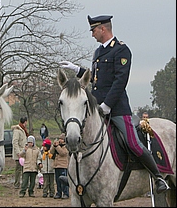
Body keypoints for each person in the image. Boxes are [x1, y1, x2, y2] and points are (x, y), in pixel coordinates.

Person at [59, 14, 169, 195]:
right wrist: (76, 69)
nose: (92, 34)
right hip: (96, 109)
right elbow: (95, 78)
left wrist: (108, 105)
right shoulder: (98, 52)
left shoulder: (121, 50)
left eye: (94, 30)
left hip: (117, 109)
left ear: (103, 28)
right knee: (78, 136)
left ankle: (157, 176)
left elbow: (120, 81)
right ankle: (73, 176)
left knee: (132, 142)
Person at [50, 133, 70, 199]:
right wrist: (54, 146)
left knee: (64, 181)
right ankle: (59, 192)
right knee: (57, 181)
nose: (60, 140)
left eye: (61, 139)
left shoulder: (66, 147)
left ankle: (66, 193)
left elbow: (62, 153)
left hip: (63, 166)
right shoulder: (57, 146)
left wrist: (57, 147)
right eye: (59, 139)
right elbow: (51, 152)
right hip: (56, 165)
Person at [11, 116, 29, 189]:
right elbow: (15, 142)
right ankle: (17, 184)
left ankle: (24, 183)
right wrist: (18, 153)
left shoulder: (23, 130)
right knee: (18, 170)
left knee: (24, 169)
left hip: (24, 152)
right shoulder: (17, 131)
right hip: (19, 154)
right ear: (25, 122)